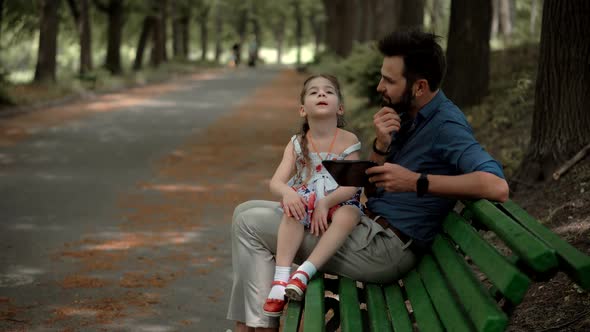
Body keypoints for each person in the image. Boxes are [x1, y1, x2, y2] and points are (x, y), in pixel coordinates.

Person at [227, 29, 509, 332]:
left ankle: (257, 328)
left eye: (389, 80)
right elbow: (372, 188)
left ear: (419, 86)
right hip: (368, 230)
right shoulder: (409, 116)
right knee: (245, 212)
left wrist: (417, 181)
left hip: (385, 250)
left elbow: (497, 186)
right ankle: (253, 326)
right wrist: (380, 148)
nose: (379, 87)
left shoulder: (446, 126)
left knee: (249, 223)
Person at [262, 74, 363, 317]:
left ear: (339, 108)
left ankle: (304, 272)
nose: (321, 94)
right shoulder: (297, 143)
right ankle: (281, 278)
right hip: (307, 201)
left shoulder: (349, 139)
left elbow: (353, 185)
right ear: (302, 109)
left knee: (349, 215)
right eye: (314, 92)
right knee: (292, 211)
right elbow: (276, 182)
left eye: (328, 91)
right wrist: (288, 194)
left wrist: (326, 202)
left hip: (340, 199)